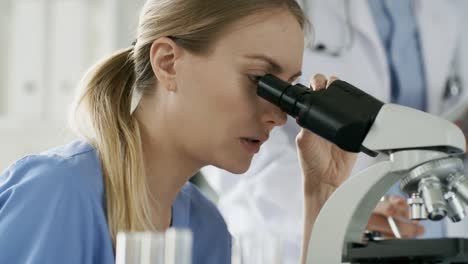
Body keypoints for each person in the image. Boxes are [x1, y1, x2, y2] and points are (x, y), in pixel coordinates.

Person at [0, 0, 361, 263]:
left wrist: (321, 194)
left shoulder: (207, 230)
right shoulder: (56, 192)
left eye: (289, 89)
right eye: (259, 80)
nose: (278, 117)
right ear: (168, 63)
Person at [202, 0, 468, 263]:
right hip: (291, 230)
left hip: (433, 219)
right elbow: (231, 130)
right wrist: (332, 204)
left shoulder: (451, 8)